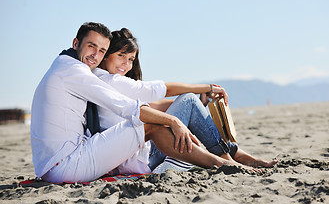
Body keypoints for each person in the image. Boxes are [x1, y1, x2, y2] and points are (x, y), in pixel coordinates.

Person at [30, 22, 245, 184]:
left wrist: (176, 114)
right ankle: (224, 160)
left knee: (158, 116)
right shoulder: (76, 72)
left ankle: (227, 156)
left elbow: (148, 105)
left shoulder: (65, 65)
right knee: (147, 122)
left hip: (55, 164)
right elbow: (129, 108)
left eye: (102, 50)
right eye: (91, 46)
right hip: (66, 164)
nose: (95, 55)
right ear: (76, 43)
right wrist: (174, 121)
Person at [93, 28, 277, 174]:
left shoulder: (108, 83)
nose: (126, 64)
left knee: (189, 101)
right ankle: (230, 156)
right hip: (141, 159)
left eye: (131, 59)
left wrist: (197, 105)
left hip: (138, 155)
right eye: (121, 56)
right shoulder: (109, 80)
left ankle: (231, 154)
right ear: (106, 55)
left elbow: (154, 106)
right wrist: (207, 88)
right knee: (188, 100)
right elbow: (166, 89)